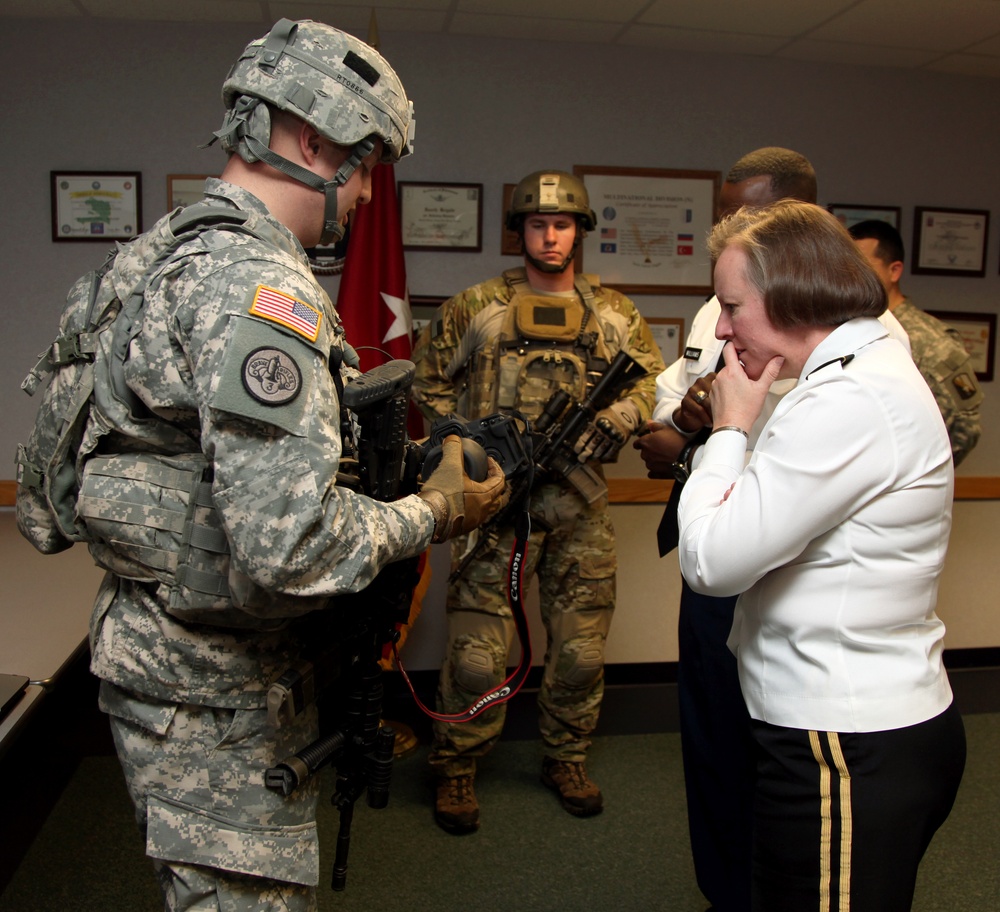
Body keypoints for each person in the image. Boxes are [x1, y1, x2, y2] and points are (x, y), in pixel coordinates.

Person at [75, 20, 506, 911]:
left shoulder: (163, 253)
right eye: (369, 164)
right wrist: (435, 512)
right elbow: (290, 543)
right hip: (212, 690)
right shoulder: (254, 289)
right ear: (312, 139)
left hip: (165, 662)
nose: (366, 196)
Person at [678, 200, 966, 911]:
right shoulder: (851, 374)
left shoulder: (852, 397)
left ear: (790, 295)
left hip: (844, 739)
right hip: (840, 728)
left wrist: (730, 427)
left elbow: (711, 560)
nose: (719, 328)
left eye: (731, 305)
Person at [411, 170, 665, 833]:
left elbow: (653, 384)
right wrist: (467, 446)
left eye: (561, 224)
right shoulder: (476, 307)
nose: (549, 235)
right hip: (495, 499)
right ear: (518, 230)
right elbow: (427, 379)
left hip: (578, 503)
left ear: (579, 231)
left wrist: (622, 418)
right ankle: (458, 766)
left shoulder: (614, 313)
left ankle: (566, 756)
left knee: (580, 648)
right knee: (476, 654)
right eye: (536, 224)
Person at [849, 218, 983, 465]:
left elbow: (965, 426)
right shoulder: (849, 327)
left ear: (894, 270)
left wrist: (919, 472)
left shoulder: (931, 339)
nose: (852, 274)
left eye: (863, 265)